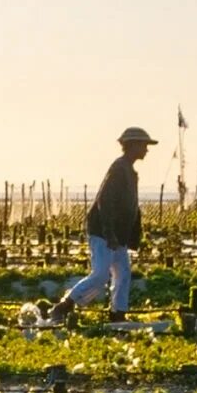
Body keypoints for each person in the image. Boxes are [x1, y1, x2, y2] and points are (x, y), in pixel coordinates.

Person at [50, 126, 152, 325]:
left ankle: (118, 314)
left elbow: (132, 205)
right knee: (100, 275)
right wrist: (109, 233)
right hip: (104, 232)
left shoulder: (130, 172)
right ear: (133, 146)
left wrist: (131, 235)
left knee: (123, 275)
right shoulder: (119, 169)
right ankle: (65, 305)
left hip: (118, 234)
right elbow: (105, 202)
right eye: (144, 145)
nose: (147, 150)